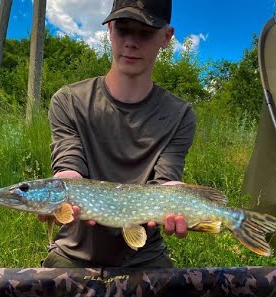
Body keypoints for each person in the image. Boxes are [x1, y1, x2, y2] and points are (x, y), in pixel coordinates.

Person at [39, 0, 197, 268]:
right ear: (110, 29)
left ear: (166, 37)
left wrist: (177, 197)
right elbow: (69, 166)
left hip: (146, 257)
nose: (131, 42)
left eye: (145, 32)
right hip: (72, 255)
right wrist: (64, 186)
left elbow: (166, 182)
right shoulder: (68, 101)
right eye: (124, 29)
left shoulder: (180, 114)